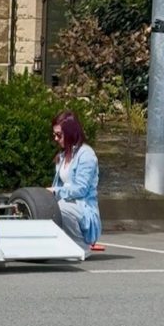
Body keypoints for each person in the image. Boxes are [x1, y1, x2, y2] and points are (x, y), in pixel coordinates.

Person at [49, 110, 101, 258]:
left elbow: (81, 189)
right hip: (67, 204)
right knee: (48, 206)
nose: (55, 138)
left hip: (84, 209)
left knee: (60, 208)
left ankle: (81, 247)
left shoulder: (86, 155)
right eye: (54, 135)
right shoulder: (62, 156)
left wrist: (55, 192)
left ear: (70, 132)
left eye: (59, 134)